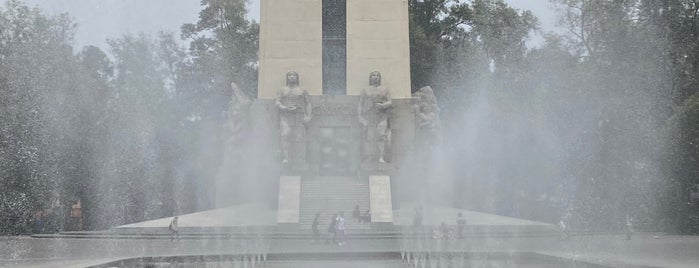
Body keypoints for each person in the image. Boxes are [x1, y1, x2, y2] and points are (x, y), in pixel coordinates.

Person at [275, 71, 312, 164]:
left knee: (299, 137)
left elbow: (308, 103)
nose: (292, 77)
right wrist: (284, 108)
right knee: (285, 134)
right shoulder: (282, 89)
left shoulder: (303, 90)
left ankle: (299, 160)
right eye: (290, 75)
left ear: (297, 78)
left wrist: (308, 116)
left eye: (294, 75)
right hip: (285, 115)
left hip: (299, 115)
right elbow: (277, 102)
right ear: (287, 78)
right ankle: (285, 157)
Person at [358, 71, 392, 163]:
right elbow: (361, 104)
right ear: (371, 77)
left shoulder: (385, 89)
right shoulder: (366, 89)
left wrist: (383, 105)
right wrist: (360, 117)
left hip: (382, 116)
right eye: (374, 75)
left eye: (377, 75)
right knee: (369, 137)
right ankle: (369, 157)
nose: (375, 77)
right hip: (369, 116)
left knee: (381, 136)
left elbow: (390, 101)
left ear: (379, 78)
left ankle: (381, 157)